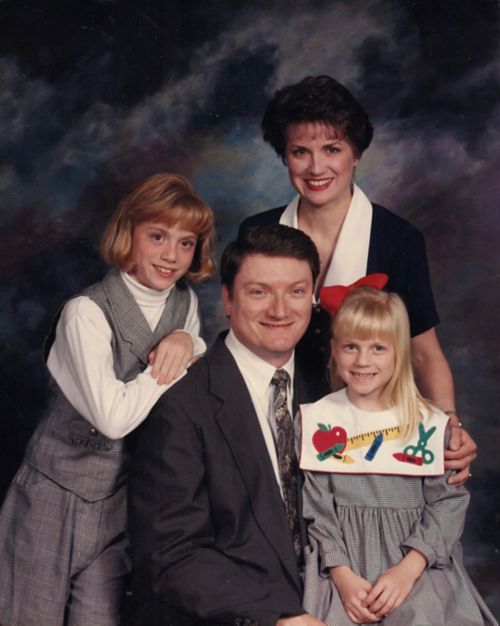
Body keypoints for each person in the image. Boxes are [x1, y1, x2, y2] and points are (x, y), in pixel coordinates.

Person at [0, 172, 216, 626]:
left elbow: (196, 349)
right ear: (128, 232)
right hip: (52, 496)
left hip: (121, 502)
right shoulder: (86, 313)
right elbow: (114, 418)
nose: (171, 255)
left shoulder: (185, 304)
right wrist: (181, 354)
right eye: (157, 236)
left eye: (186, 243)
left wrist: (189, 341)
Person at [238, 75, 476, 483]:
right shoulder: (257, 231)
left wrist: (450, 424)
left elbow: (423, 352)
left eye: (332, 149)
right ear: (284, 156)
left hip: (362, 433)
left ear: (356, 154)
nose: (316, 167)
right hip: (267, 421)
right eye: (300, 151)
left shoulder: (397, 238)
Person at [127, 224, 329, 626]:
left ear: (313, 297)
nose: (280, 310)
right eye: (258, 292)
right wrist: (280, 617)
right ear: (227, 300)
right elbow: (170, 554)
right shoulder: (181, 403)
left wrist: (445, 439)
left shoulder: (330, 385)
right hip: (242, 616)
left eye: (296, 291)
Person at [299, 286, 497, 625]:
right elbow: (318, 510)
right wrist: (343, 577)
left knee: (423, 616)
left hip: (416, 563)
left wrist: (409, 569)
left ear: (399, 352)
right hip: (342, 569)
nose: (363, 361)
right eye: (351, 347)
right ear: (334, 350)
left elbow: (447, 504)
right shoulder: (319, 420)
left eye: (378, 348)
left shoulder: (430, 425)